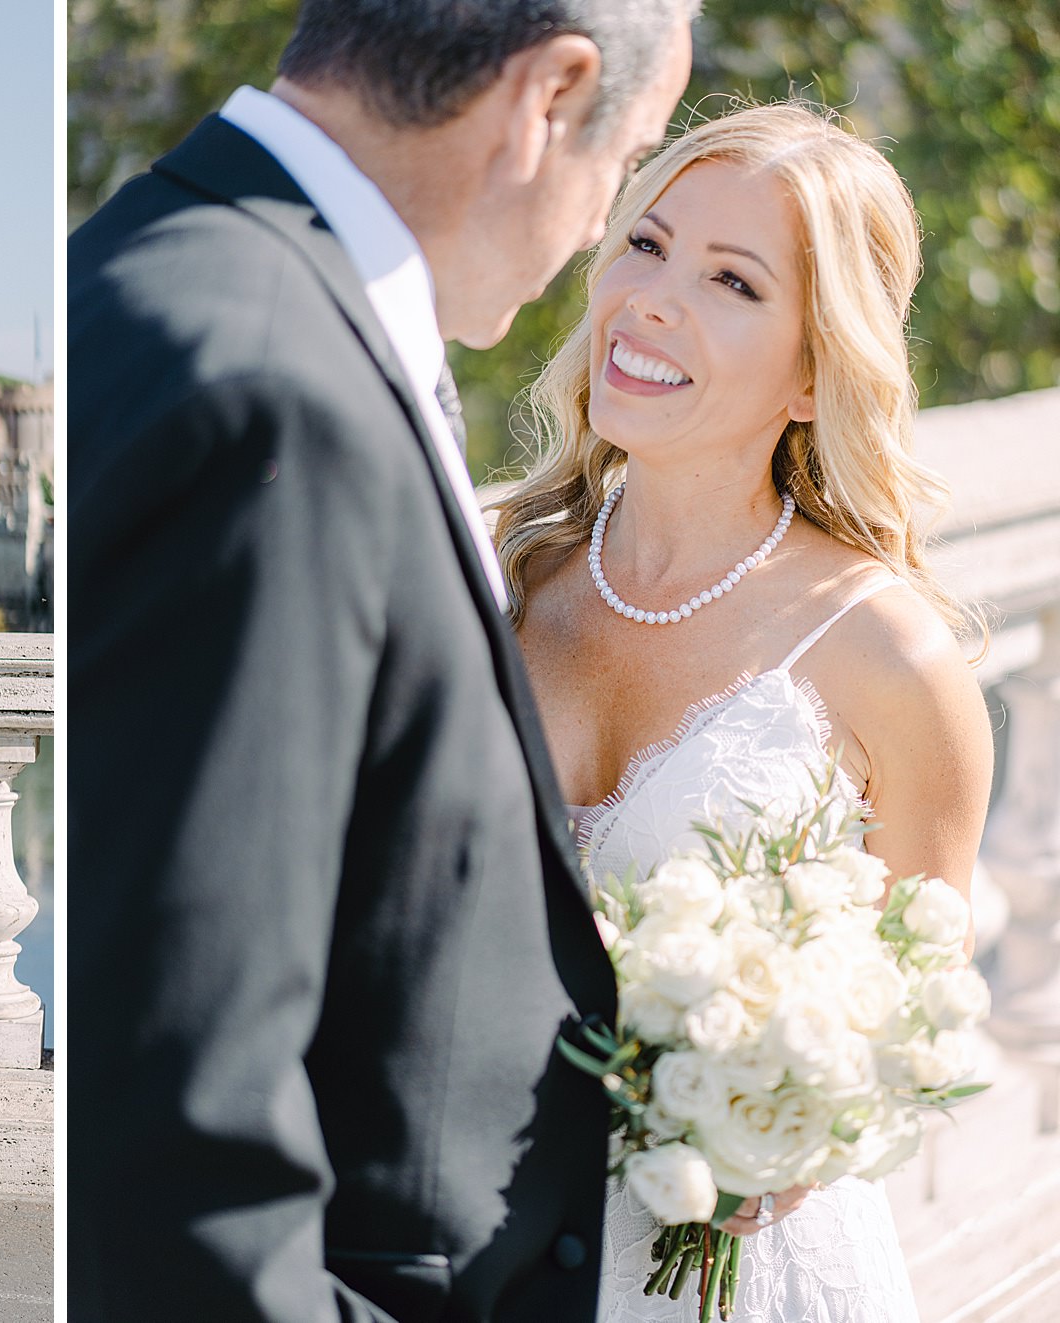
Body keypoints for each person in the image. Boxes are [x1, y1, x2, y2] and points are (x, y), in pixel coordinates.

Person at [70, 2, 696, 1318]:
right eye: (627, 156)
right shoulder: (268, 387)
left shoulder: (174, 273)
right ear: (550, 94)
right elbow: (176, 1138)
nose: (601, 229)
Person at [495, 102, 993, 1322]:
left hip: (737, 1280)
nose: (652, 300)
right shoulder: (490, 572)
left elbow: (915, 1016)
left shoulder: (889, 658)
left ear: (818, 371)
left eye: (731, 280)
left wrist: (780, 1139)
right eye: (646, 245)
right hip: (485, 1251)